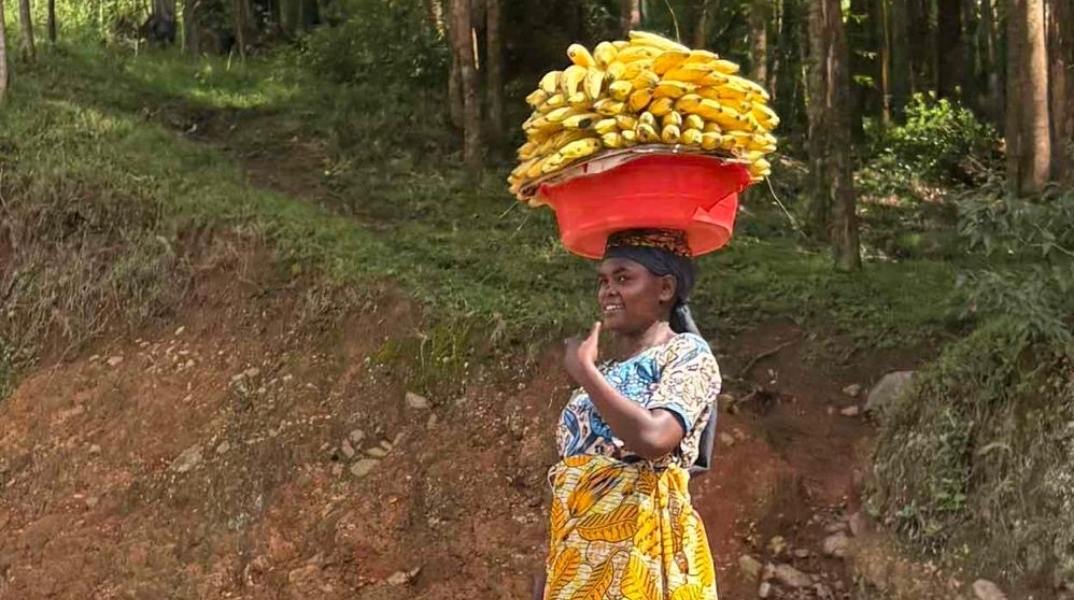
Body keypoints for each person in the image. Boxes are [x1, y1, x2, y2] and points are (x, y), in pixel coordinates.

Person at [536, 228, 722, 600]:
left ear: (665, 289)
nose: (608, 290)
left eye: (623, 278)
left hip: (644, 557)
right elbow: (575, 482)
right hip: (578, 562)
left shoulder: (687, 356)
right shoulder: (601, 374)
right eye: (603, 281)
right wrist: (548, 573)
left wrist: (585, 373)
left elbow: (654, 438)